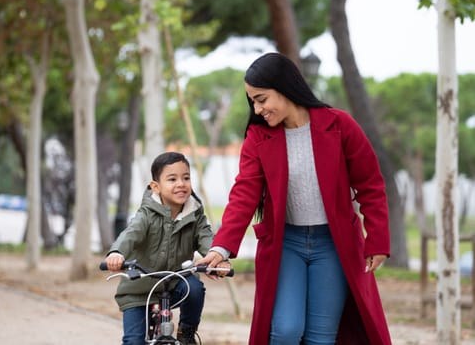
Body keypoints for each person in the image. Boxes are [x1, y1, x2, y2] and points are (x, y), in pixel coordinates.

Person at [195, 52, 392, 345]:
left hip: (334, 246)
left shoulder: (340, 125)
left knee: (321, 338)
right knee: (285, 330)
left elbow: (370, 185)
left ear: (284, 86)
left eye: (261, 99)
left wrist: (377, 239)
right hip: (286, 245)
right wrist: (222, 247)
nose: (258, 109)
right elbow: (244, 193)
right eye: (253, 102)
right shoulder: (258, 137)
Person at [105, 151, 225, 345]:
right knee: (134, 341)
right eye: (172, 179)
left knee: (194, 288)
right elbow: (131, 234)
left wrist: (217, 257)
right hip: (139, 289)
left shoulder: (195, 215)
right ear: (156, 187)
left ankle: (186, 333)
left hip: (175, 282)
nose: (181, 183)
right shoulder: (146, 214)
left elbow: (206, 238)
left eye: (186, 178)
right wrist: (117, 253)